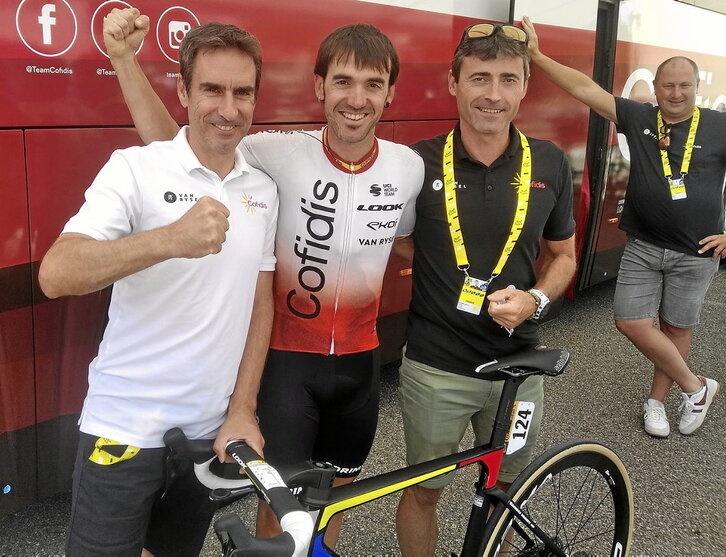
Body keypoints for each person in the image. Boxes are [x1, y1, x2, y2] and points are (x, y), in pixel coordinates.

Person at [101, 8, 423, 547]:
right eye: (342, 81)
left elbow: (408, 238)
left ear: (390, 94)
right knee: (282, 504)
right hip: (289, 367)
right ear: (319, 86)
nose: (356, 98)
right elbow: (179, 150)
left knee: (334, 495)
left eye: (373, 85)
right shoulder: (277, 151)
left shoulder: (407, 167)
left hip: (362, 365)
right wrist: (126, 63)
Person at [38, 21, 278, 556]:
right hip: (122, 430)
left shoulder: (261, 187)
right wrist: (168, 239)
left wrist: (243, 408)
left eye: (243, 93)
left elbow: (258, 307)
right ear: (185, 93)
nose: (229, 108)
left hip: (206, 435)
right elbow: (56, 273)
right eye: (212, 89)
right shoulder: (135, 168)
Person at [395, 22, 577, 556]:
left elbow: (563, 255)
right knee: (423, 493)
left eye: (507, 79)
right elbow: (403, 243)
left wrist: (535, 300)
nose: (492, 95)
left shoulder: (549, 161)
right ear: (453, 83)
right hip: (436, 369)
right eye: (478, 78)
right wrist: (447, 273)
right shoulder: (417, 161)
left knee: (506, 490)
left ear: (525, 87)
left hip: (520, 370)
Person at [523, 17, 723, 438]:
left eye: (684, 86)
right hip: (644, 245)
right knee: (630, 321)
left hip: (698, 251)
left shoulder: (720, 127)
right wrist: (538, 57)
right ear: (656, 88)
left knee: (676, 328)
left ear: (696, 88)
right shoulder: (640, 116)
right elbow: (586, 89)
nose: (676, 93)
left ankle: (657, 403)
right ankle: (695, 386)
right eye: (668, 85)